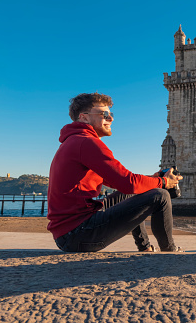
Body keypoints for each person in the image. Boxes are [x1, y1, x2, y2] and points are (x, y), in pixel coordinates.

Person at [47, 92, 183, 253]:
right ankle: (170, 251)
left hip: (69, 233)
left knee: (135, 192)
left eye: (110, 114)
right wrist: (164, 182)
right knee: (160, 196)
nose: (110, 118)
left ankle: (145, 247)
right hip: (77, 234)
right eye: (104, 114)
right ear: (84, 117)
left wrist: (153, 178)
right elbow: (128, 182)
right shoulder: (86, 142)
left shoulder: (75, 141)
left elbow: (117, 181)